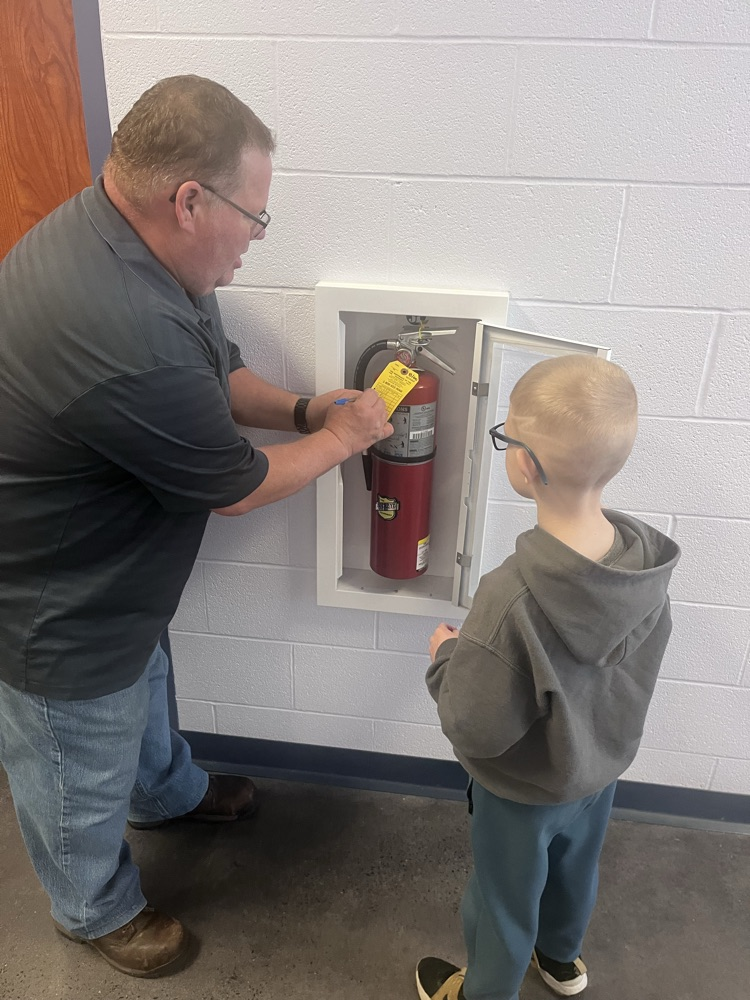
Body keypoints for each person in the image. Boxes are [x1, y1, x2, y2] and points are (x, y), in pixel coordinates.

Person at [0, 74, 391, 979]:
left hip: (114, 570)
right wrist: (342, 438)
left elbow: (210, 371)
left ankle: (165, 794)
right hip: (58, 599)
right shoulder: (120, 324)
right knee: (74, 753)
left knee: (140, 692)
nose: (256, 240)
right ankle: (90, 906)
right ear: (189, 199)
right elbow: (238, 486)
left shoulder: (133, 242)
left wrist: (301, 411)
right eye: (255, 217)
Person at [416, 355, 681, 1000]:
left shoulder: (509, 599)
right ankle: (561, 962)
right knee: (575, 869)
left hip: (522, 793)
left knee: (503, 901)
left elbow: (474, 725)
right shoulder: (642, 573)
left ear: (526, 465)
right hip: (596, 774)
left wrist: (447, 657)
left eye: (504, 436)